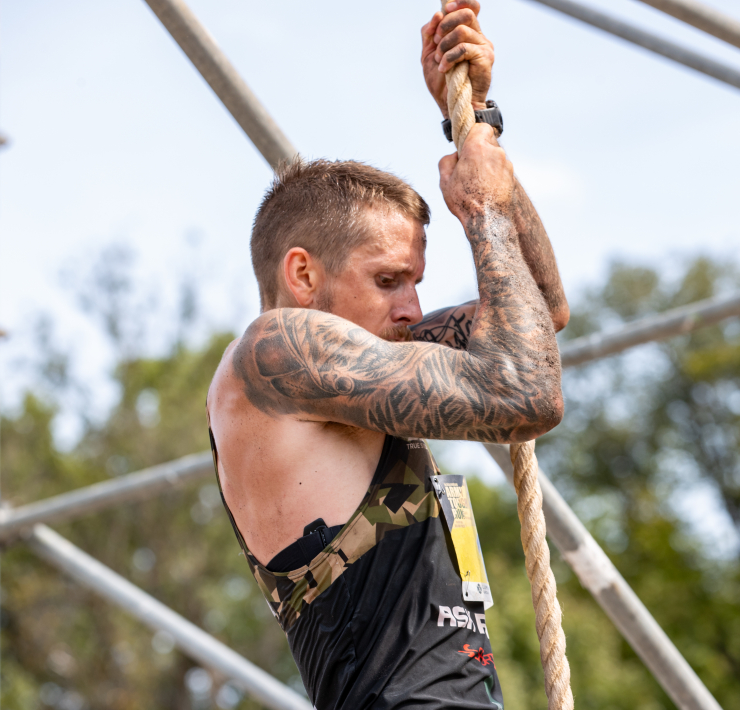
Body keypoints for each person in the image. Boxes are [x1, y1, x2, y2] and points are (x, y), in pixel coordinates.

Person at [206, 2, 569, 707]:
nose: (410, 307)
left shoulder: (358, 369)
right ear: (303, 275)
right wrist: (482, 213)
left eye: (415, 283)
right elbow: (527, 393)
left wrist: (475, 123)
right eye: (387, 281)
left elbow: (540, 316)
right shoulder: (274, 353)